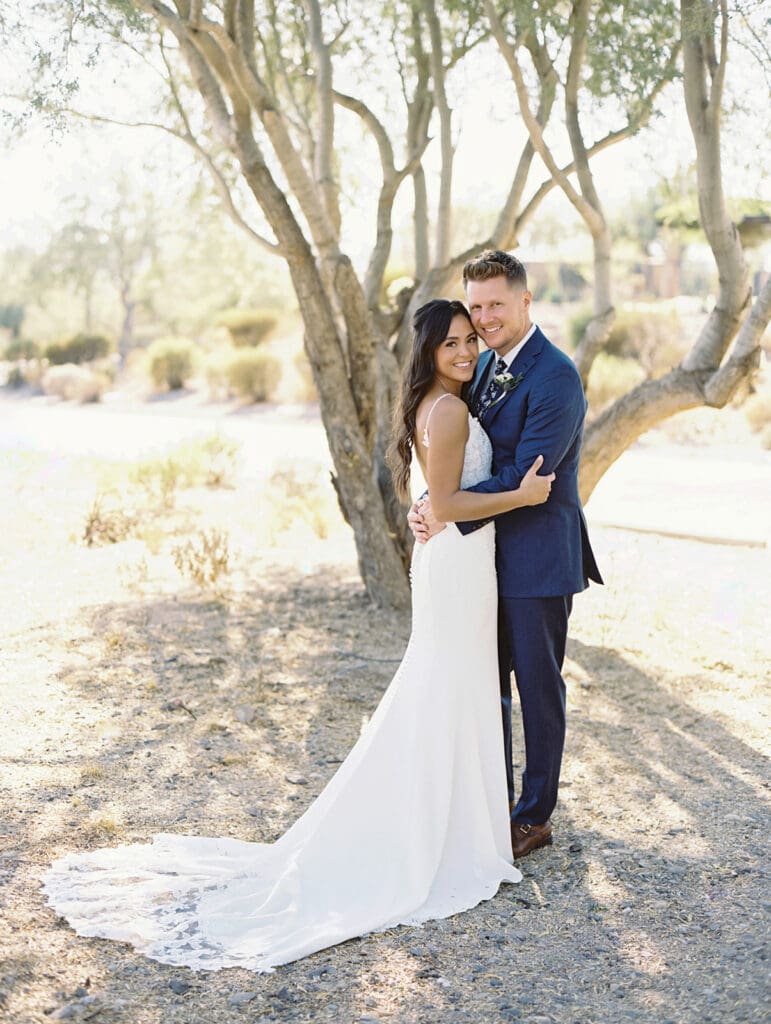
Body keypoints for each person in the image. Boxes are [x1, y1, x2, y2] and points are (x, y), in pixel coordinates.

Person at [41, 299, 554, 974]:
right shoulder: (450, 409)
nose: (465, 352)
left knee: (446, 686)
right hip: (458, 563)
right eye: (451, 343)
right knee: (448, 685)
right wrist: (519, 497)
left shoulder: (437, 403)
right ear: (428, 351)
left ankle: (449, 822)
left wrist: (427, 505)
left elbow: (432, 495)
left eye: (469, 341)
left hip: (453, 566)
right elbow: (451, 505)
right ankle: (442, 833)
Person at [409, 251, 603, 860]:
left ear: (525, 301)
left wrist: (445, 506)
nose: (486, 318)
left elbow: (526, 474)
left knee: (538, 689)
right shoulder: (484, 362)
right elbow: (461, 453)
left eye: (497, 304)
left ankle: (533, 816)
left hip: (538, 557)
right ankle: (488, 805)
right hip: (481, 557)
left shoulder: (556, 377)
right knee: (485, 684)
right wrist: (431, 499)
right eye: (478, 305)